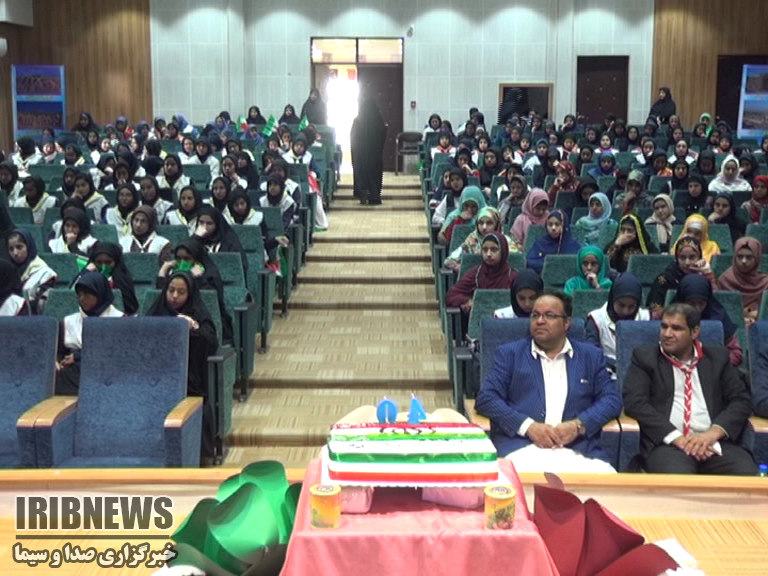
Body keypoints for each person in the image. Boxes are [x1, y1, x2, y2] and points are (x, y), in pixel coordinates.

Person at [476, 292, 621, 472]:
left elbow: (611, 400)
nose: (540, 321)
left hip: (578, 452)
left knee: (608, 485)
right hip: (523, 449)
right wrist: (528, 426)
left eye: (549, 315)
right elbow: (486, 398)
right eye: (535, 315)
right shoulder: (510, 355)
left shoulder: (590, 356)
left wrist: (578, 426)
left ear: (566, 323)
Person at [622, 303, 756, 475]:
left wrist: (712, 434)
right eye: (664, 326)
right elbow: (635, 403)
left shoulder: (717, 358)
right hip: (668, 444)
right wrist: (678, 439)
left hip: (713, 442)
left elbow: (741, 401)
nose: (667, 334)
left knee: (746, 473)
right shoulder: (645, 358)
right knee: (678, 478)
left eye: (676, 328)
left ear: (694, 332)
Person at [148, 270, 218, 462]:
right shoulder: (157, 311)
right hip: (157, 376)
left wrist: (194, 328)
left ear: (190, 294)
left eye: (181, 292)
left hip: (189, 379)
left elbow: (211, 343)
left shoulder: (198, 313)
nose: (174, 296)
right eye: (171, 290)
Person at [56, 271, 125, 395]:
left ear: (100, 294)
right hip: (72, 376)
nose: (82, 299)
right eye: (79, 295)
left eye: (87, 295)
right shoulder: (69, 322)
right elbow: (59, 354)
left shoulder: (120, 321)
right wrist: (56, 361)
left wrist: (79, 356)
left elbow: (119, 353)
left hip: (106, 373)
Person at [445, 232, 517, 336]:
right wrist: (469, 301)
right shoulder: (476, 274)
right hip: (478, 328)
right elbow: (451, 295)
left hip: (508, 328)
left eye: (494, 250)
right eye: (485, 250)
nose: (488, 254)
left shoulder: (513, 277)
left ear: (503, 251)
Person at [586, 272, 650, 376]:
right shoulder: (596, 319)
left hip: (638, 374)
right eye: (621, 305)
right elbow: (591, 353)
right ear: (613, 300)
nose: (625, 311)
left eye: (631, 306)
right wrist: (614, 364)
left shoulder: (646, 318)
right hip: (605, 373)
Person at [673, 274, 743, 367]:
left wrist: (718, 365)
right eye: (691, 303)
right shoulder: (670, 318)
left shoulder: (719, 318)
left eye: (701, 304)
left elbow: (736, 353)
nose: (697, 309)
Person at [74, 242, 139, 316]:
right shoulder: (87, 274)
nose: (103, 267)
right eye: (99, 262)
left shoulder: (122, 280)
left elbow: (130, 307)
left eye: (108, 262)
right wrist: (85, 272)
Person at [717, 237, 768, 327]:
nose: (744, 261)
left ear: (757, 258)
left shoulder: (765, 283)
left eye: (749, 257)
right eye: (740, 257)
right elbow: (721, 311)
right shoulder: (725, 280)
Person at [7, 228, 57, 313]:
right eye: (11, 249)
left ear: (29, 246)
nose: (15, 253)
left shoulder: (45, 273)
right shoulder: (7, 273)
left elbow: (43, 306)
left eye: (19, 247)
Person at [443, 206, 508, 272]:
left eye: (489, 223)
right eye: (481, 223)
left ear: (496, 225)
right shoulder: (472, 240)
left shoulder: (506, 242)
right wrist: (462, 268)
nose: (484, 227)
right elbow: (449, 260)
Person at [351, 97, 386, 205]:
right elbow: (383, 136)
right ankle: (374, 196)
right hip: (375, 155)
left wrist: (356, 152)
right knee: (374, 175)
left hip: (361, 155)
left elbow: (353, 138)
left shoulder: (357, 121)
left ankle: (363, 194)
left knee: (362, 174)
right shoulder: (378, 121)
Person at [526, 209, 581, 275]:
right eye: (550, 224)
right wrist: (552, 266)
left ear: (564, 226)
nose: (553, 228)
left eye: (557, 224)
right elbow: (530, 262)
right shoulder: (540, 243)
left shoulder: (573, 246)